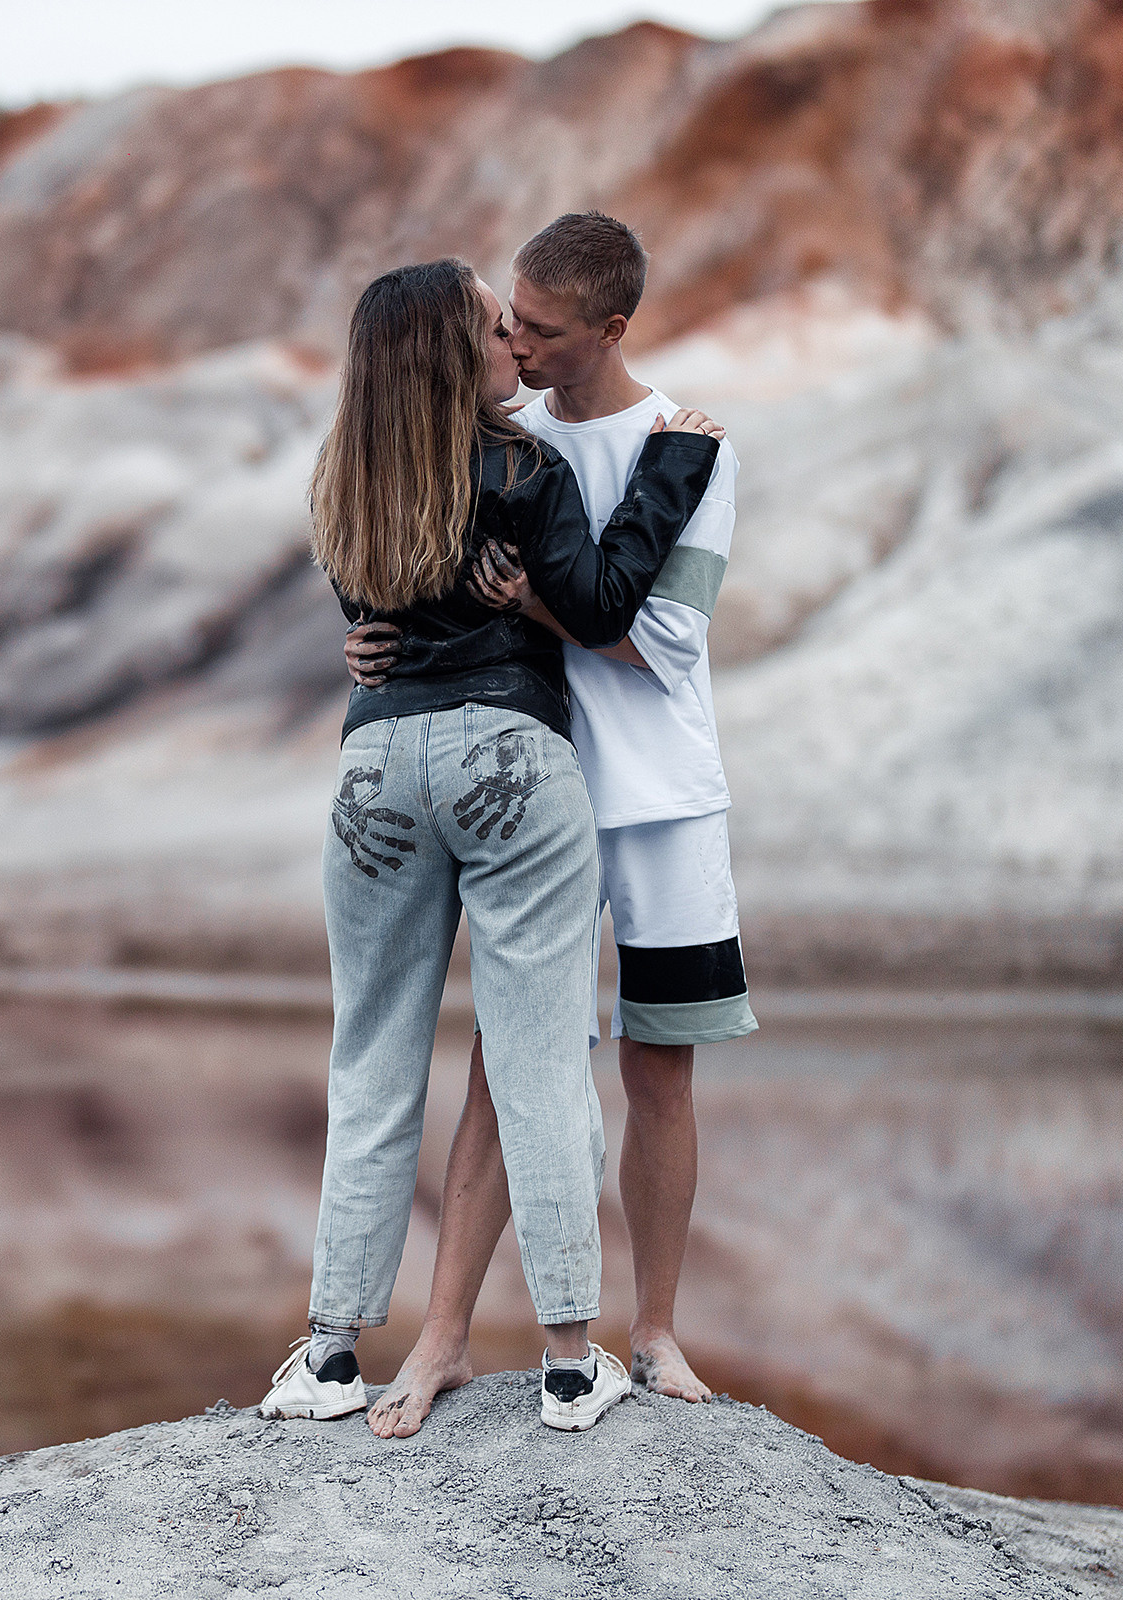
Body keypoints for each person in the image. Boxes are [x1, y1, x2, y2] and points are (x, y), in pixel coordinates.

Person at [258, 255, 723, 1435]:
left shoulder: (341, 475)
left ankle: (325, 1355)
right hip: (508, 760)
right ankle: (573, 1360)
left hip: (374, 772)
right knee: (535, 1053)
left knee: (368, 1053)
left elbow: (364, 610)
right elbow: (608, 607)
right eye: (490, 327)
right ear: (452, 354)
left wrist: (371, 641)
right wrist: (677, 461)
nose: (511, 344)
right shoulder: (526, 466)